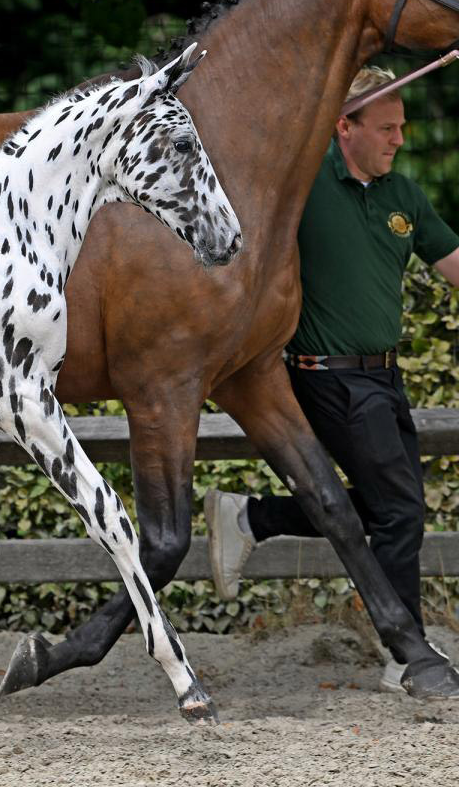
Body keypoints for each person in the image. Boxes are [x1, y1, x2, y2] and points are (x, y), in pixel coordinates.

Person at [205, 66, 459, 693]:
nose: (399, 139)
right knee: (399, 511)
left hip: (385, 379)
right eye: (386, 128)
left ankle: (252, 518)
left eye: (402, 127)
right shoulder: (303, 185)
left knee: (387, 508)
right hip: (328, 379)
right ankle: (406, 655)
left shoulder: (405, 197)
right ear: (344, 127)